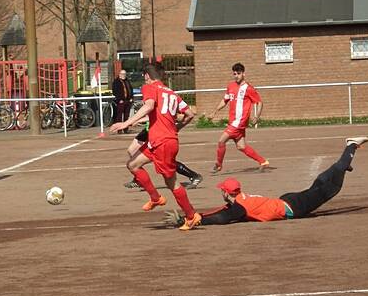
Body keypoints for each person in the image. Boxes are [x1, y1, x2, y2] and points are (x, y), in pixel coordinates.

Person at [167, 137, 368, 227]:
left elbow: (223, 218)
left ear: (228, 193)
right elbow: (221, 212)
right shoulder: (240, 200)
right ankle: (340, 166)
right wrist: (194, 216)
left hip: (293, 206)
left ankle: (350, 148)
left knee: (330, 188)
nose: (222, 193)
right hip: (288, 202)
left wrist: (196, 219)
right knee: (319, 187)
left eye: (223, 191)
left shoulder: (240, 207)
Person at [110, 63, 201, 231]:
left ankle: (191, 216)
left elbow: (149, 105)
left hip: (162, 142)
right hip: (160, 141)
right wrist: (176, 128)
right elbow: (190, 114)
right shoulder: (171, 93)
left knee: (171, 182)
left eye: (145, 76)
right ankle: (156, 197)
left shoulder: (150, 87)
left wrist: (126, 123)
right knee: (133, 164)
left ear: (147, 76)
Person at [209, 62, 269, 173]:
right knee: (241, 146)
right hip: (233, 121)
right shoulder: (230, 86)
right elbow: (225, 100)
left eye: (238, 73)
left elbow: (259, 102)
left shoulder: (248, 88)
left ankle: (218, 165)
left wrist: (257, 116)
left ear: (244, 74)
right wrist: (215, 112)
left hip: (238, 122)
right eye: (234, 74)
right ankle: (263, 161)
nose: (236, 76)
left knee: (221, 141)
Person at [124, 120, 203, 190]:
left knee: (164, 161)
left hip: (158, 129)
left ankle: (194, 176)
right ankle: (138, 179)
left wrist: (137, 120)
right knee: (132, 151)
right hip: (149, 128)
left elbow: (158, 114)